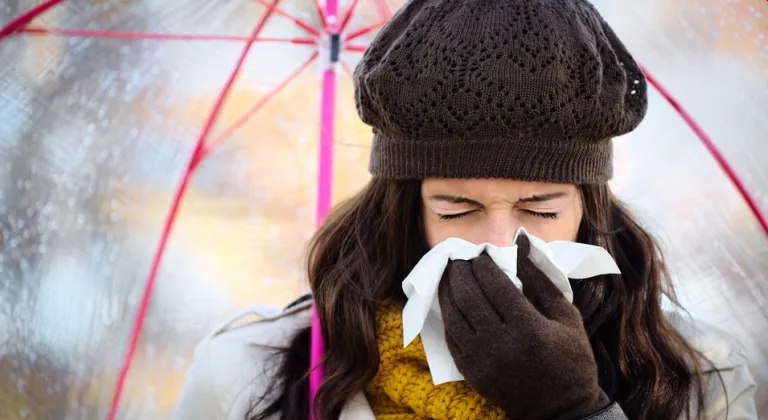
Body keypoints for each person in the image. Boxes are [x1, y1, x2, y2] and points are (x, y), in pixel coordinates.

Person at [173, 0, 758, 418]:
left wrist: (575, 410)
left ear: (589, 206)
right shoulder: (251, 378)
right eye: (456, 210)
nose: (502, 245)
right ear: (404, 210)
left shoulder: (698, 381)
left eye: (542, 209)